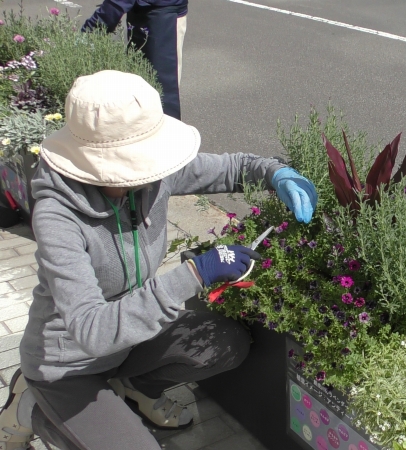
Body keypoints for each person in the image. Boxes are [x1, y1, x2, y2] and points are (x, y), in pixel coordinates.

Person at [0, 70, 318, 450]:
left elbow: (230, 167)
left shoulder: (149, 177)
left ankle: (133, 388)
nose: (155, 172)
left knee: (227, 342)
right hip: (70, 365)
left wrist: (277, 173)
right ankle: (31, 410)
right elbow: (92, 330)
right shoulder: (58, 218)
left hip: (133, 342)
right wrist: (195, 273)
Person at [82, 0, 189, 120]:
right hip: (146, 10)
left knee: (162, 91)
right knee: (141, 86)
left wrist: (92, 29)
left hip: (163, 15)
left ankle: (167, 135)